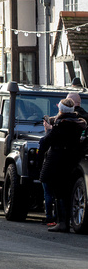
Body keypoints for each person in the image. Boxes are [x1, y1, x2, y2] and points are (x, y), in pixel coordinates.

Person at [39, 98, 86, 232]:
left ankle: (62, 222)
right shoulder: (77, 123)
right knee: (66, 192)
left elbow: (47, 141)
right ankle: (66, 221)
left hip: (57, 161)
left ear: (61, 110)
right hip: (71, 161)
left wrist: (48, 131)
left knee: (59, 193)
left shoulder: (61, 125)